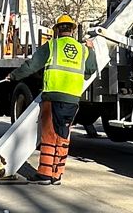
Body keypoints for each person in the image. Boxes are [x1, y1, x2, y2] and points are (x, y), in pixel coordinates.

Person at [7, 13, 98, 185]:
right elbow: (90, 71)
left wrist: (13, 76)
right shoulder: (83, 50)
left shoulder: (52, 46)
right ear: (72, 30)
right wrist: (91, 50)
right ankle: (57, 174)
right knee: (63, 135)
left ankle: (45, 174)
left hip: (53, 97)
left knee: (49, 135)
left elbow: (32, 66)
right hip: (72, 100)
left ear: (57, 30)